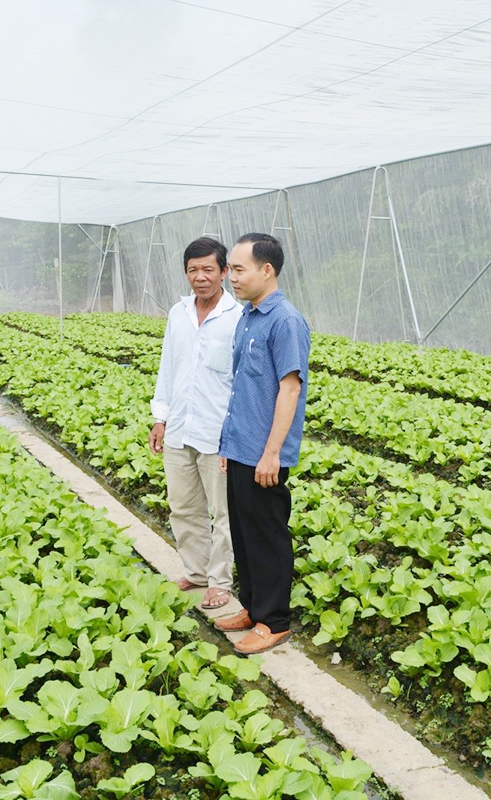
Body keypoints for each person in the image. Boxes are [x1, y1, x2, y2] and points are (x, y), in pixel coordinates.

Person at [213, 233, 311, 655]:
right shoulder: (248, 316)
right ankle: (252, 608)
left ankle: (274, 621)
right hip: (240, 447)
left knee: (268, 536)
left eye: (238, 269)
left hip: (264, 453)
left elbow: (289, 390)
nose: (230, 277)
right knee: (243, 531)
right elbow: (242, 386)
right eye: (231, 269)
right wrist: (228, 445)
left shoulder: (285, 320)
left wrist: (271, 452)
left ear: (266, 270)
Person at [149, 237, 242, 610]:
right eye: (193, 270)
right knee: (183, 507)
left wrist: (235, 437)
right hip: (180, 427)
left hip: (217, 432)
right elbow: (168, 367)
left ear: (223, 272)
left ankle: (221, 581)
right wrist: (161, 418)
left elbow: (241, 383)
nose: (200, 277)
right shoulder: (179, 313)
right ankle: (197, 571)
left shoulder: (238, 317)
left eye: (208, 269)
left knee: (223, 513)